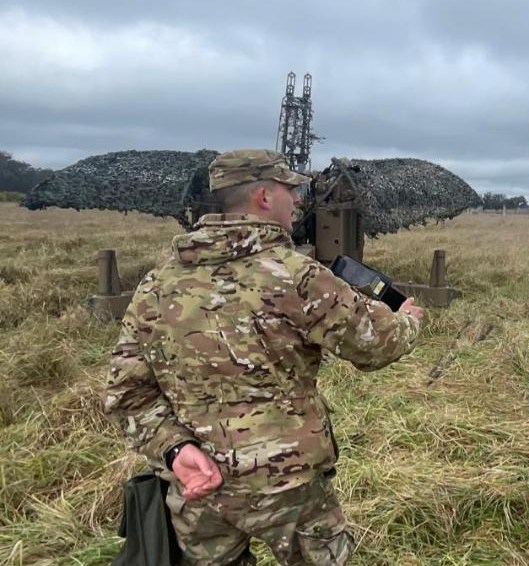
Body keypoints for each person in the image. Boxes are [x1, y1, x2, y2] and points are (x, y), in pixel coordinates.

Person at [104, 149, 425, 565]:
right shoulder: (297, 275)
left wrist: (174, 450)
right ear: (263, 196)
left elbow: (126, 393)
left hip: (199, 490)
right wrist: (408, 319)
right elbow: (375, 345)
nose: (298, 201)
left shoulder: (156, 285)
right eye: (291, 190)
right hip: (292, 488)